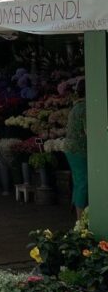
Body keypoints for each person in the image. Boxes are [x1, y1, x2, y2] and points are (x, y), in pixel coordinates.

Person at [65, 78, 88, 219]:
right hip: (80, 149)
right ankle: (80, 221)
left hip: (71, 149)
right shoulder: (86, 107)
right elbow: (88, 131)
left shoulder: (76, 106)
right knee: (83, 183)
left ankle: (76, 212)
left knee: (78, 180)